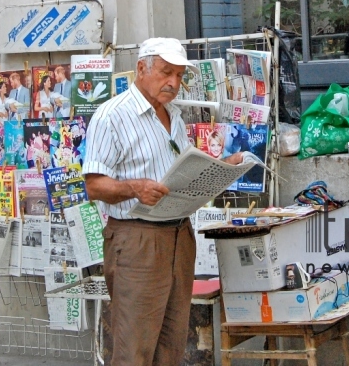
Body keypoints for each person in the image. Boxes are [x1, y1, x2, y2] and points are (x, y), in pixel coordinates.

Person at [83, 37, 244, 366]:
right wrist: (134, 188)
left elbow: (181, 173)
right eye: (165, 73)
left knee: (171, 347)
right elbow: (94, 186)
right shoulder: (111, 116)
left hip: (178, 235)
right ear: (141, 69)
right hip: (137, 239)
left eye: (179, 75)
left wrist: (222, 169)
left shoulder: (174, 118)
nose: (173, 83)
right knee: (134, 349)